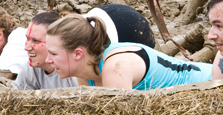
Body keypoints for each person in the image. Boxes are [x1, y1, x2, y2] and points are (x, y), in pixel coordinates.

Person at [45, 15, 212, 90]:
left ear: (78, 53)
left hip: (209, 84)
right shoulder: (84, 71)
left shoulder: (116, 68)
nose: (48, 59)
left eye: (53, 53)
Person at [12, 11, 78, 91]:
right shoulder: (31, 69)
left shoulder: (73, 74)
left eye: (36, 41)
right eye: (27, 38)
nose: (27, 47)